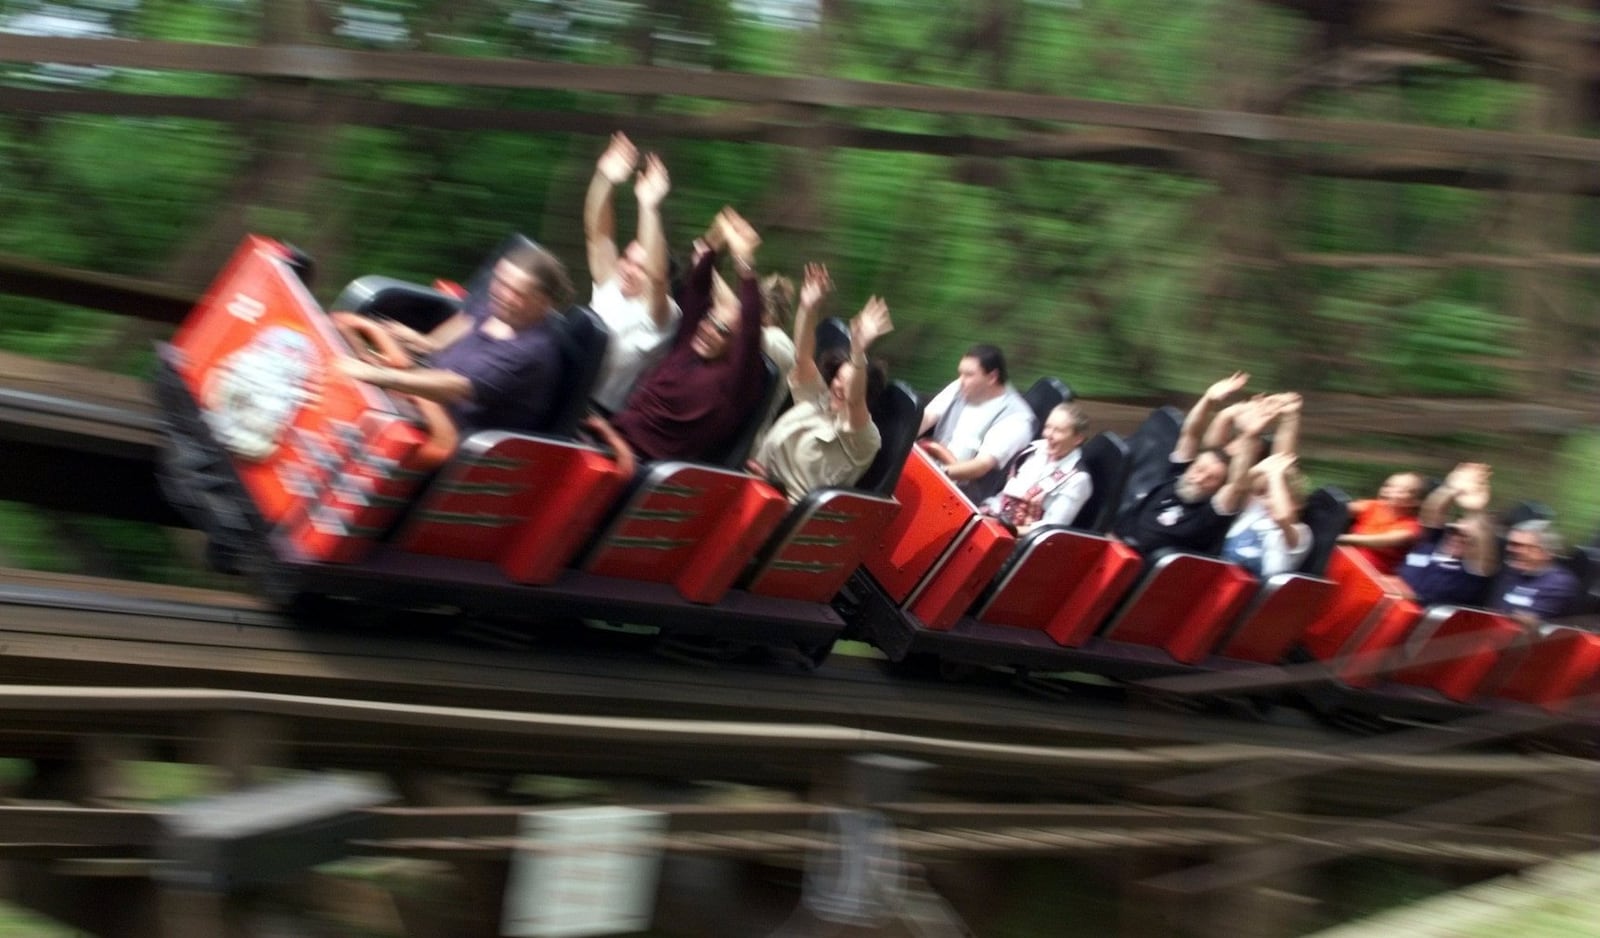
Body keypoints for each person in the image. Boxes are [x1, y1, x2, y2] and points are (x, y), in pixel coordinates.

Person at [339, 242, 571, 437]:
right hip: (424, 397)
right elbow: (437, 345)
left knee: (357, 400)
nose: (501, 294)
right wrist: (411, 340)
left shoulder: (532, 351)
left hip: (452, 433)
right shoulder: (493, 309)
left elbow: (456, 387)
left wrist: (374, 375)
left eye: (516, 292)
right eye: (500, 282)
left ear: (543, 302)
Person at [610, 208, 768, 463]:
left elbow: (750, 330)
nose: (709, 329)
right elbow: (698, 288)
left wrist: (745, 262)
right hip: (613, 437)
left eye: (722, 330)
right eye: (709, 321)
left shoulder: (735, 383)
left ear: (735, 346)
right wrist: (715, 242)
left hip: (645, 465)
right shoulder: (688, 345)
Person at [750, 264, 891, 502]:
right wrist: (808, 307)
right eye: (837, 378)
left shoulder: (862, 438)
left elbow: (854, 400)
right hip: (752, 484)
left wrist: (858, 352)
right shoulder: (820, 400)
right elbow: (803, 357)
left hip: (781, 509)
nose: (838, 386)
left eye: (847, 383)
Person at [583, 132, 680, 413]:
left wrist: (648, 207)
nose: (627, 268)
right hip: (567, 386)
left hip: (601, 415)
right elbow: (597, 234)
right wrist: (605, 178)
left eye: (640, 267)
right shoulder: (610, 286)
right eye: (626, 259)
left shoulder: (660, 315)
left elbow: (657, 276)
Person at [1114, 371, 1257, 559]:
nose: (1199, 478)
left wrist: (1249, 434)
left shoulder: (1210, 513)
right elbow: (1191, 433)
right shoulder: (1176, 477)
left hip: (1141, 567)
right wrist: (1208, 399)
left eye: (1210, 478)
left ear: (1218, 488)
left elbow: (1236, 485)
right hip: (1113, 543)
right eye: (1199, 469)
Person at [917, 344, 1036, 502]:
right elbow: (925, 419)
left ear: (992, 377)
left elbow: (981, 466)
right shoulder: (960, 387)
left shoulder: (1017, 418)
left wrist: (935, 473)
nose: (961, 381)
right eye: (961, 373)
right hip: (932, 471)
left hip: (962, 498)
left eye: (969, 375)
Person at [1219, 394, 1312, 578]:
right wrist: (1252, 434)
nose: (1269, 501)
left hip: (1256, 594)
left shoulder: (1299, 534)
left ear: (1298, 504)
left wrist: (1275, 475)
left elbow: (1281, 515)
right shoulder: (1256, 511)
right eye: (1267, 495)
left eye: (1279, 496)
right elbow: (1240, 481)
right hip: (1222, 579)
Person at [980, 402, 1092, 535]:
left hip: (1022, 539)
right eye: (1048, 427)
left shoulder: (1078, 480)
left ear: (1078, 439)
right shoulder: (1033, 450)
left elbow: (1052, 529)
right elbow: (1004, 495)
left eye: (1059, 431)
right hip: (997, 519)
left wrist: (1008, 531)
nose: (1048, 435)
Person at [1398, 462, 1497, 608]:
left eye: (1466, 539)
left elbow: (1481, 538)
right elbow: (1432, 512)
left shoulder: (1472, 570)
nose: (1458, 537)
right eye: (1455, 531)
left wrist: (1476, 510)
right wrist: (1452, 489)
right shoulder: (1432, 543)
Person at [1491, 519, 1580, 626]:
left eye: (1519, 545)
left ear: (1544, 552)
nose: (1510, 549)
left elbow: (1533, 625)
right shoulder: (1509, 574)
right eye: (1510, 544)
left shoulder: (1560, 583)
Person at [1337, 471, 1426, 575]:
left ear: (1415, 501)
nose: (1389, 491)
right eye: (1388, 486)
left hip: (1371, 578)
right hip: (1342, 567)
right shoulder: (1370, 506)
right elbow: (1337, 510)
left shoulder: (1411, 527)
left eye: (1400, 491)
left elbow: (1379, 541)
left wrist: (1338, 537)